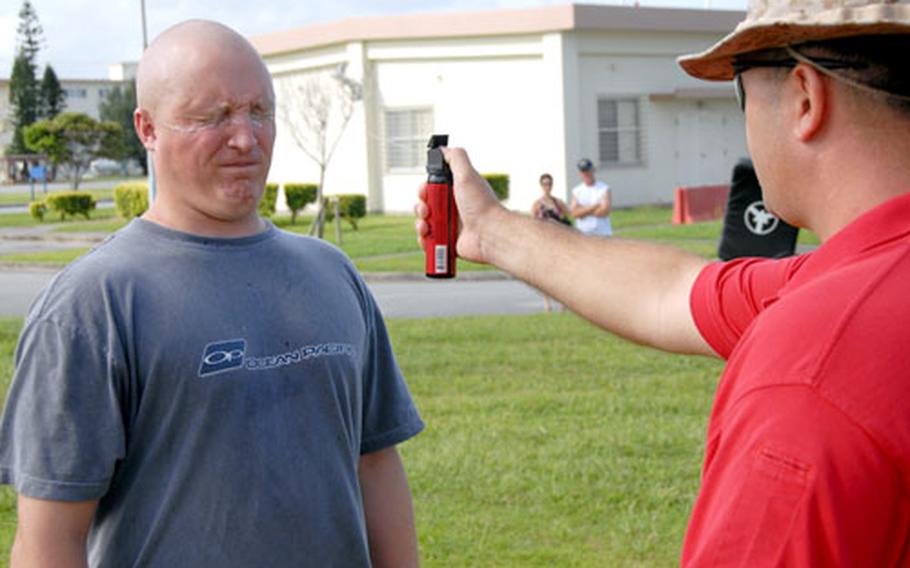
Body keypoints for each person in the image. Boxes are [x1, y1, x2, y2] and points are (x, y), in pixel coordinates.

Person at [415, 0, 910, 563]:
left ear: (804, 98)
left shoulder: (811, 365)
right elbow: (670, 293)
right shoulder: (849, 283)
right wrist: (492, 230)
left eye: (739, 90)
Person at [0, 20, 423, 567]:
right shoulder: (90, 306)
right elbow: (48, 542)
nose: (245, 138)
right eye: (212, 116)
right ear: (147, 128)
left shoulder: (333, 273)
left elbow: (376, 464)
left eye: (259, 111)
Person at [531, 173, 571, 312]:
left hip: (558, 241)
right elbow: (534, 222)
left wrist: (558, 217)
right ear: (541, 185)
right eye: (545, 184)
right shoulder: (538, 204)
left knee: (561, 273)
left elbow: (568, 215)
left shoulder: (557, 202)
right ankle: (547, 303)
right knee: (546, 274)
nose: (547, 186)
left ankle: (562, 304)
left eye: (549, 183)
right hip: (544, 242)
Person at [569, 158, 612, 236]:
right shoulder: (576, 191)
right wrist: (595, 206)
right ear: (579, 173)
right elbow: (574, 213)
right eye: (583, 171)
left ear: (593, 170)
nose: (586, 174)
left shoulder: (604, 188)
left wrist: (582, 210)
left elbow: (604, 211)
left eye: (588, 170)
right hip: (582, 234)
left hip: (602, 233)